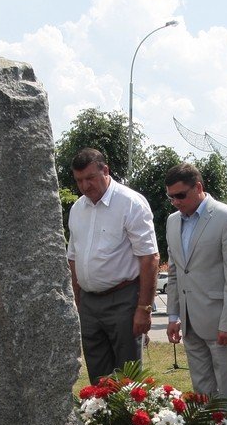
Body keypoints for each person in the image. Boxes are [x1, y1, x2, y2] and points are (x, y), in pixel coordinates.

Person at [164, 162, 227, 425]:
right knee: (203, 392)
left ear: (199, 187)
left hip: (222, 322)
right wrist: (173, 315)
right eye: (171, 197)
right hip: (189, 321)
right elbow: (175, 272)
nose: (176, 202)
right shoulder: (173, 222)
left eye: (181, 195)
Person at [65, 148, 159, 384]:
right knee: (98, 380)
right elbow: (73, 259)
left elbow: (149, 258)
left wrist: (144, 308)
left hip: (124, 299)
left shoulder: (130, 203)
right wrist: (77, 303)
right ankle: (102, 420)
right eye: (79, 181)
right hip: (88, 303)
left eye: (90, 178)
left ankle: (127, 421)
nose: (85, 186)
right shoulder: (77, 209)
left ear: (105, 170)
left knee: (128, 380)